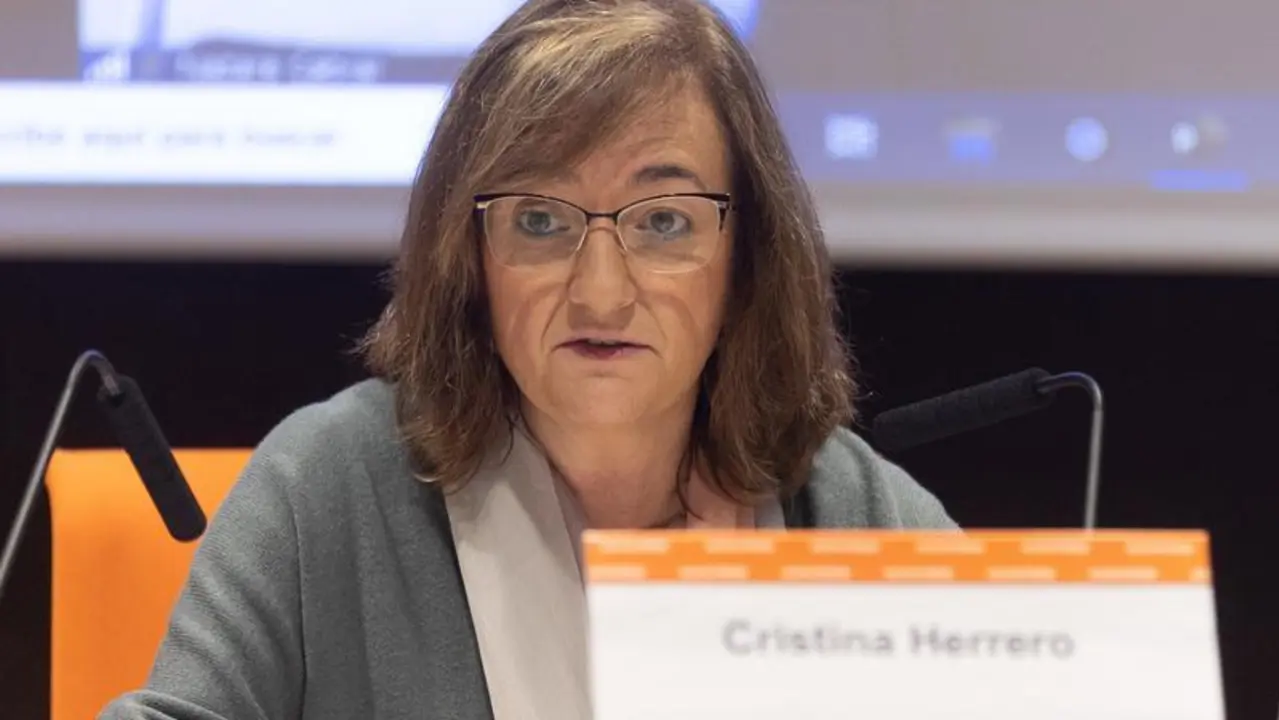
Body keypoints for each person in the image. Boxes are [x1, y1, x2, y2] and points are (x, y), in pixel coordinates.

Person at [101, 0, 956, 718]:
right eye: (540, 221)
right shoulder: (330, 484)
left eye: (663, 221)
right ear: (468, 259)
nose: (601, 294)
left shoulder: (845, 506)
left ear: (747, 262)